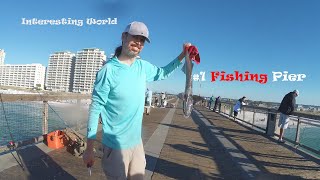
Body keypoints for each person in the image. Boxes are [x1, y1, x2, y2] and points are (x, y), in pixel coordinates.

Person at [82, 21, 192, 179]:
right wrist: (89, 148)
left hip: (136, 143)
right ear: (123, 37)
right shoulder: (108, 71)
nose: (138, 43)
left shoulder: (142, 66)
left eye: (142, 40)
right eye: (135, 37)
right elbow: (95, 108)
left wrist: (183, 54)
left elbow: (163, 72)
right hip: (114, 146)